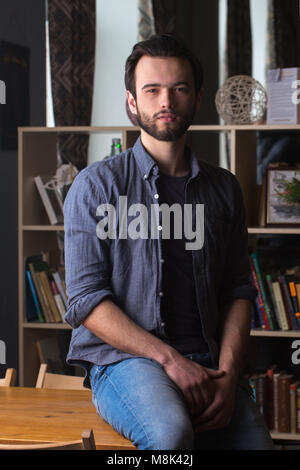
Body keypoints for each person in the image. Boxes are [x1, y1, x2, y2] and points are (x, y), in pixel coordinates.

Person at [63, 34, 274, 450]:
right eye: (152, 89)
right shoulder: (95, 186)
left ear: (196, 98)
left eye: (179, 89)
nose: (167, 101)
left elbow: (239, 289)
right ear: (132, 101)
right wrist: (169, 360)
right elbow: (85, 299)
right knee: (171, 437)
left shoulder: (224, 189)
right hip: (125, 362)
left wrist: (229, 375)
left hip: (210, 361)